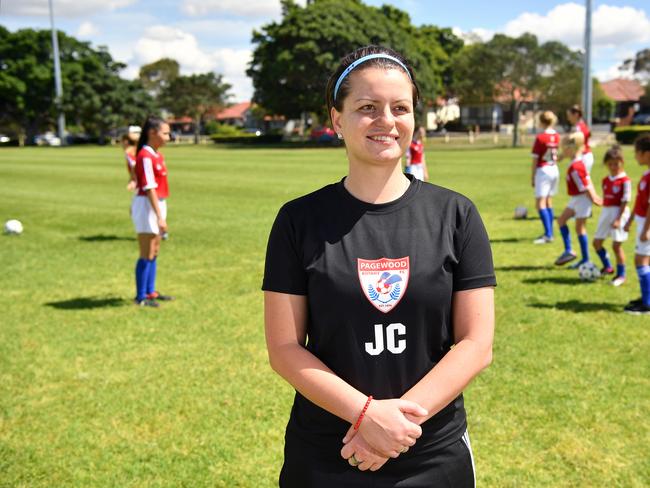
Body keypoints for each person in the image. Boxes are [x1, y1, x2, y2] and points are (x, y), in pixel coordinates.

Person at [263, 45, 496, 487]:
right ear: (336, 120)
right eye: (367, 107)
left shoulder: (456, 214)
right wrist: (366, 415)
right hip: (328, 451)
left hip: (431, 450)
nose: (386, 120)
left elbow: (476, 343)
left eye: (399, 108)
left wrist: (395, 428)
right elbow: (285, 348)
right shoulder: (298, 220)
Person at [131, 116, 173, 307]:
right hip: (148, 205)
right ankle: (141, 297)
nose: (168, 137)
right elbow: (149, 187)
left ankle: (151, 291)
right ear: (152, 133)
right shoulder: (145, 155)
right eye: (165, 133)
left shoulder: (156, 154)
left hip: (157, 203)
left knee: (154, 250)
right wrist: (159, 217)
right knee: (146, 252)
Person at [554, 132, 603, 267]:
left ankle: (585, 259)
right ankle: (569, 250)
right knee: (561, 220)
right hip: (576, 198)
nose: (563, 152)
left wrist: (593, 198)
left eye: (564, 149)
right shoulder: (577, 163)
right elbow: (588, 180)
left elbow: (585, 185)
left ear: (571, 149)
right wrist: (594, 195)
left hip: (582, 199)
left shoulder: (576, 166)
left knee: (580, 229)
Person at [592, 145, 631, 286]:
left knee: (616, 246)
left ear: (622, 162)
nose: (614, 167)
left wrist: (619, 219)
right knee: (596, 243)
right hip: (606, 212)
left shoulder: (625, 181)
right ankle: (608, 267)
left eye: (616, 164)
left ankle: (621, 275)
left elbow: (625, 201)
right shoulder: (605, 180)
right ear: (606, 164)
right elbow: (607, 197)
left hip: (619, 213)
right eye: (610, 164)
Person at [622, 134, 650, 314]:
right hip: (641, 221)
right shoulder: (646, 174)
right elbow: (641, 202)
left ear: (647, 154)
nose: (635, 156)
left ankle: (647, 304)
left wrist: (646, 230)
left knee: (640, 259)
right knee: (645, 260)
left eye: (637, 153)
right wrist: (631, 220)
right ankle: (646, 297)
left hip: (647, 225)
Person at [530, 111, 560, 244]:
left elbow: (535, 159)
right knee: (549, 201)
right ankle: (550, 232)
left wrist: (532, 176)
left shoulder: (540, 137)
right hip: (554, 168)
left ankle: (548, 234)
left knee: (540, 203)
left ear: (541, 121)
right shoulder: (556, 135)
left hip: (543, 170)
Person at [566, 105, 593, 173]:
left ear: (576, 115)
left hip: (583, 156)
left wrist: (562, 156)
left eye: (569, 115)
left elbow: (574, 145)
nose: (568, 118)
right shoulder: (582, 125)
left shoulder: (578, 128)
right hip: (584, 156)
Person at [122, 126, 140, 191]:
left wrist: (133, 180)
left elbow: (134, 165)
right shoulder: (139, 148)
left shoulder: (129, 151)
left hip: (140, 182)